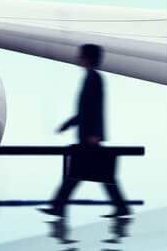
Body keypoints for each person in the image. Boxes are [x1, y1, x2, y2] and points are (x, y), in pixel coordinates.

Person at [41, 44, 130, 218]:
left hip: (90, 136)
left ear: (87, 58)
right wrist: (69, 124)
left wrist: (92, 133)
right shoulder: (92, 77)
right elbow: (88, 110)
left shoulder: (93, 79)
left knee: (79, 174)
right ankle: (120, 206)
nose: (77, 58)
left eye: (80, 56)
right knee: (88, 174)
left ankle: (59, 206)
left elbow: (92, 109)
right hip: (89, 135)